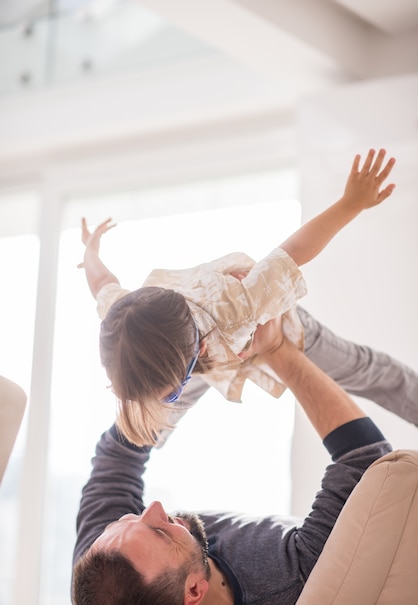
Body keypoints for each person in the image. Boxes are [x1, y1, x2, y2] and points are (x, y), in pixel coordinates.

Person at [78, 148, 417, 447]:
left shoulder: (240, 304)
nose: (163, 396)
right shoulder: (122, 320)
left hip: (274, 325)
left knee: (368, 372)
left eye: (172, 391)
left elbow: (293, 251)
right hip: (205, 355)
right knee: (150, 428)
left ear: (200, 349)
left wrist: (350, 204)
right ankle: (150, 432)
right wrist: (90, 250)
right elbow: (103, 282)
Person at [72, 316, 397, 605]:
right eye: (160, 532)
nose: (152, 508)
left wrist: (178, 366)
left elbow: (117, 457)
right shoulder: (290, 580)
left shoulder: (104, 573)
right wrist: (276, 350)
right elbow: (368, 461)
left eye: (126, 519)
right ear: (194, 591)